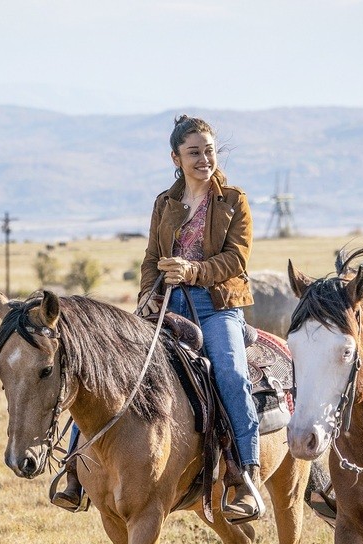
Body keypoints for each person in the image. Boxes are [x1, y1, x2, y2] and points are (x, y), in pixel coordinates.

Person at [53, 115, 262, 521]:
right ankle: (75, 471)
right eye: (194, 152)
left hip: (217, 304)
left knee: (231, 372)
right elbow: (151, 258)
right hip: (168, 302)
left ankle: (245, 477)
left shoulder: (234, 199)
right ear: (176, 158)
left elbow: (238, 258)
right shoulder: (165, 203)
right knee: (104, 367)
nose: (204, 159)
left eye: (209, 151)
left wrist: (193, 271)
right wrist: (148, 296)